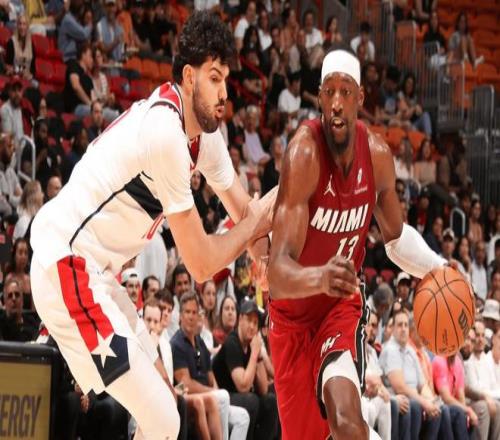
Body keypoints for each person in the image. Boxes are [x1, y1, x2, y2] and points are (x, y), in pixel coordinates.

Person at [30, 11, 274, 439]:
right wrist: (260, 217)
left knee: (162, 410)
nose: (223, 92)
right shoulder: (165, 132)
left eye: (227, 80)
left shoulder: (206, 138)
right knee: (163, 419)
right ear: (189, 77)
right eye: (214, 78)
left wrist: (265, 258)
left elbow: (243, 215)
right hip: (66, 265)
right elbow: (201, 263)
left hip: (99, 277)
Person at [267, 49, 450, 440]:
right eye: (329, 92)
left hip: (338, 308)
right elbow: (277, 275)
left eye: (345, 92)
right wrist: (319, 277)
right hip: (291, 319)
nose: (336, 102)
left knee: (347, 421)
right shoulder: (304, 153)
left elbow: (396, 239)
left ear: (360, 98)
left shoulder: (378, 156)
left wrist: (438, 267)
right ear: (320, 98)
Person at [213, 299, 278, 440]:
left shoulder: (251, 345)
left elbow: (263, 389)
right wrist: (254, 353)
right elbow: (242, 386)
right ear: (240, 319)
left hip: (239, 396)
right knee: (251, 401)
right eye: (249, 320)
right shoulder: (232, 343)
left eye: (255, 323)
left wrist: (258, 355)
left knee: (270, 401)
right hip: (222, 396)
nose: (252, 326)